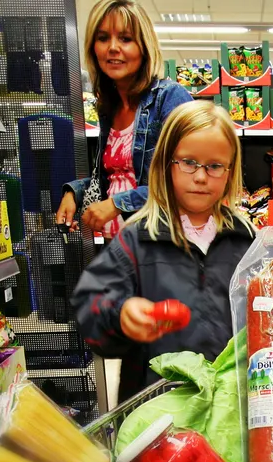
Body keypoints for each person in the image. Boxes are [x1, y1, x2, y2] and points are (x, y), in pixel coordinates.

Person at [72, 101, 254, 402]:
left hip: (230, 408)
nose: (200, 177)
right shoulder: (136, 239)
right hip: (157, 410)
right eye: (188, 162)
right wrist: (120, 315)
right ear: (166, 164)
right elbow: (90, 306)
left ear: (229, 172)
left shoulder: (247, 240)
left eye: (214, 166)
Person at [56, 0, 193, 238]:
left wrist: (117, 204)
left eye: (126, 39)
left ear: (144, 46)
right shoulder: (108, 107)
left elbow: (187, 181)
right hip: (120, 245)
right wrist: (74, 193)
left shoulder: (169, 98)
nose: (112, 47)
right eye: (102, 38)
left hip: (162, 245)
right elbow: (116, 180)